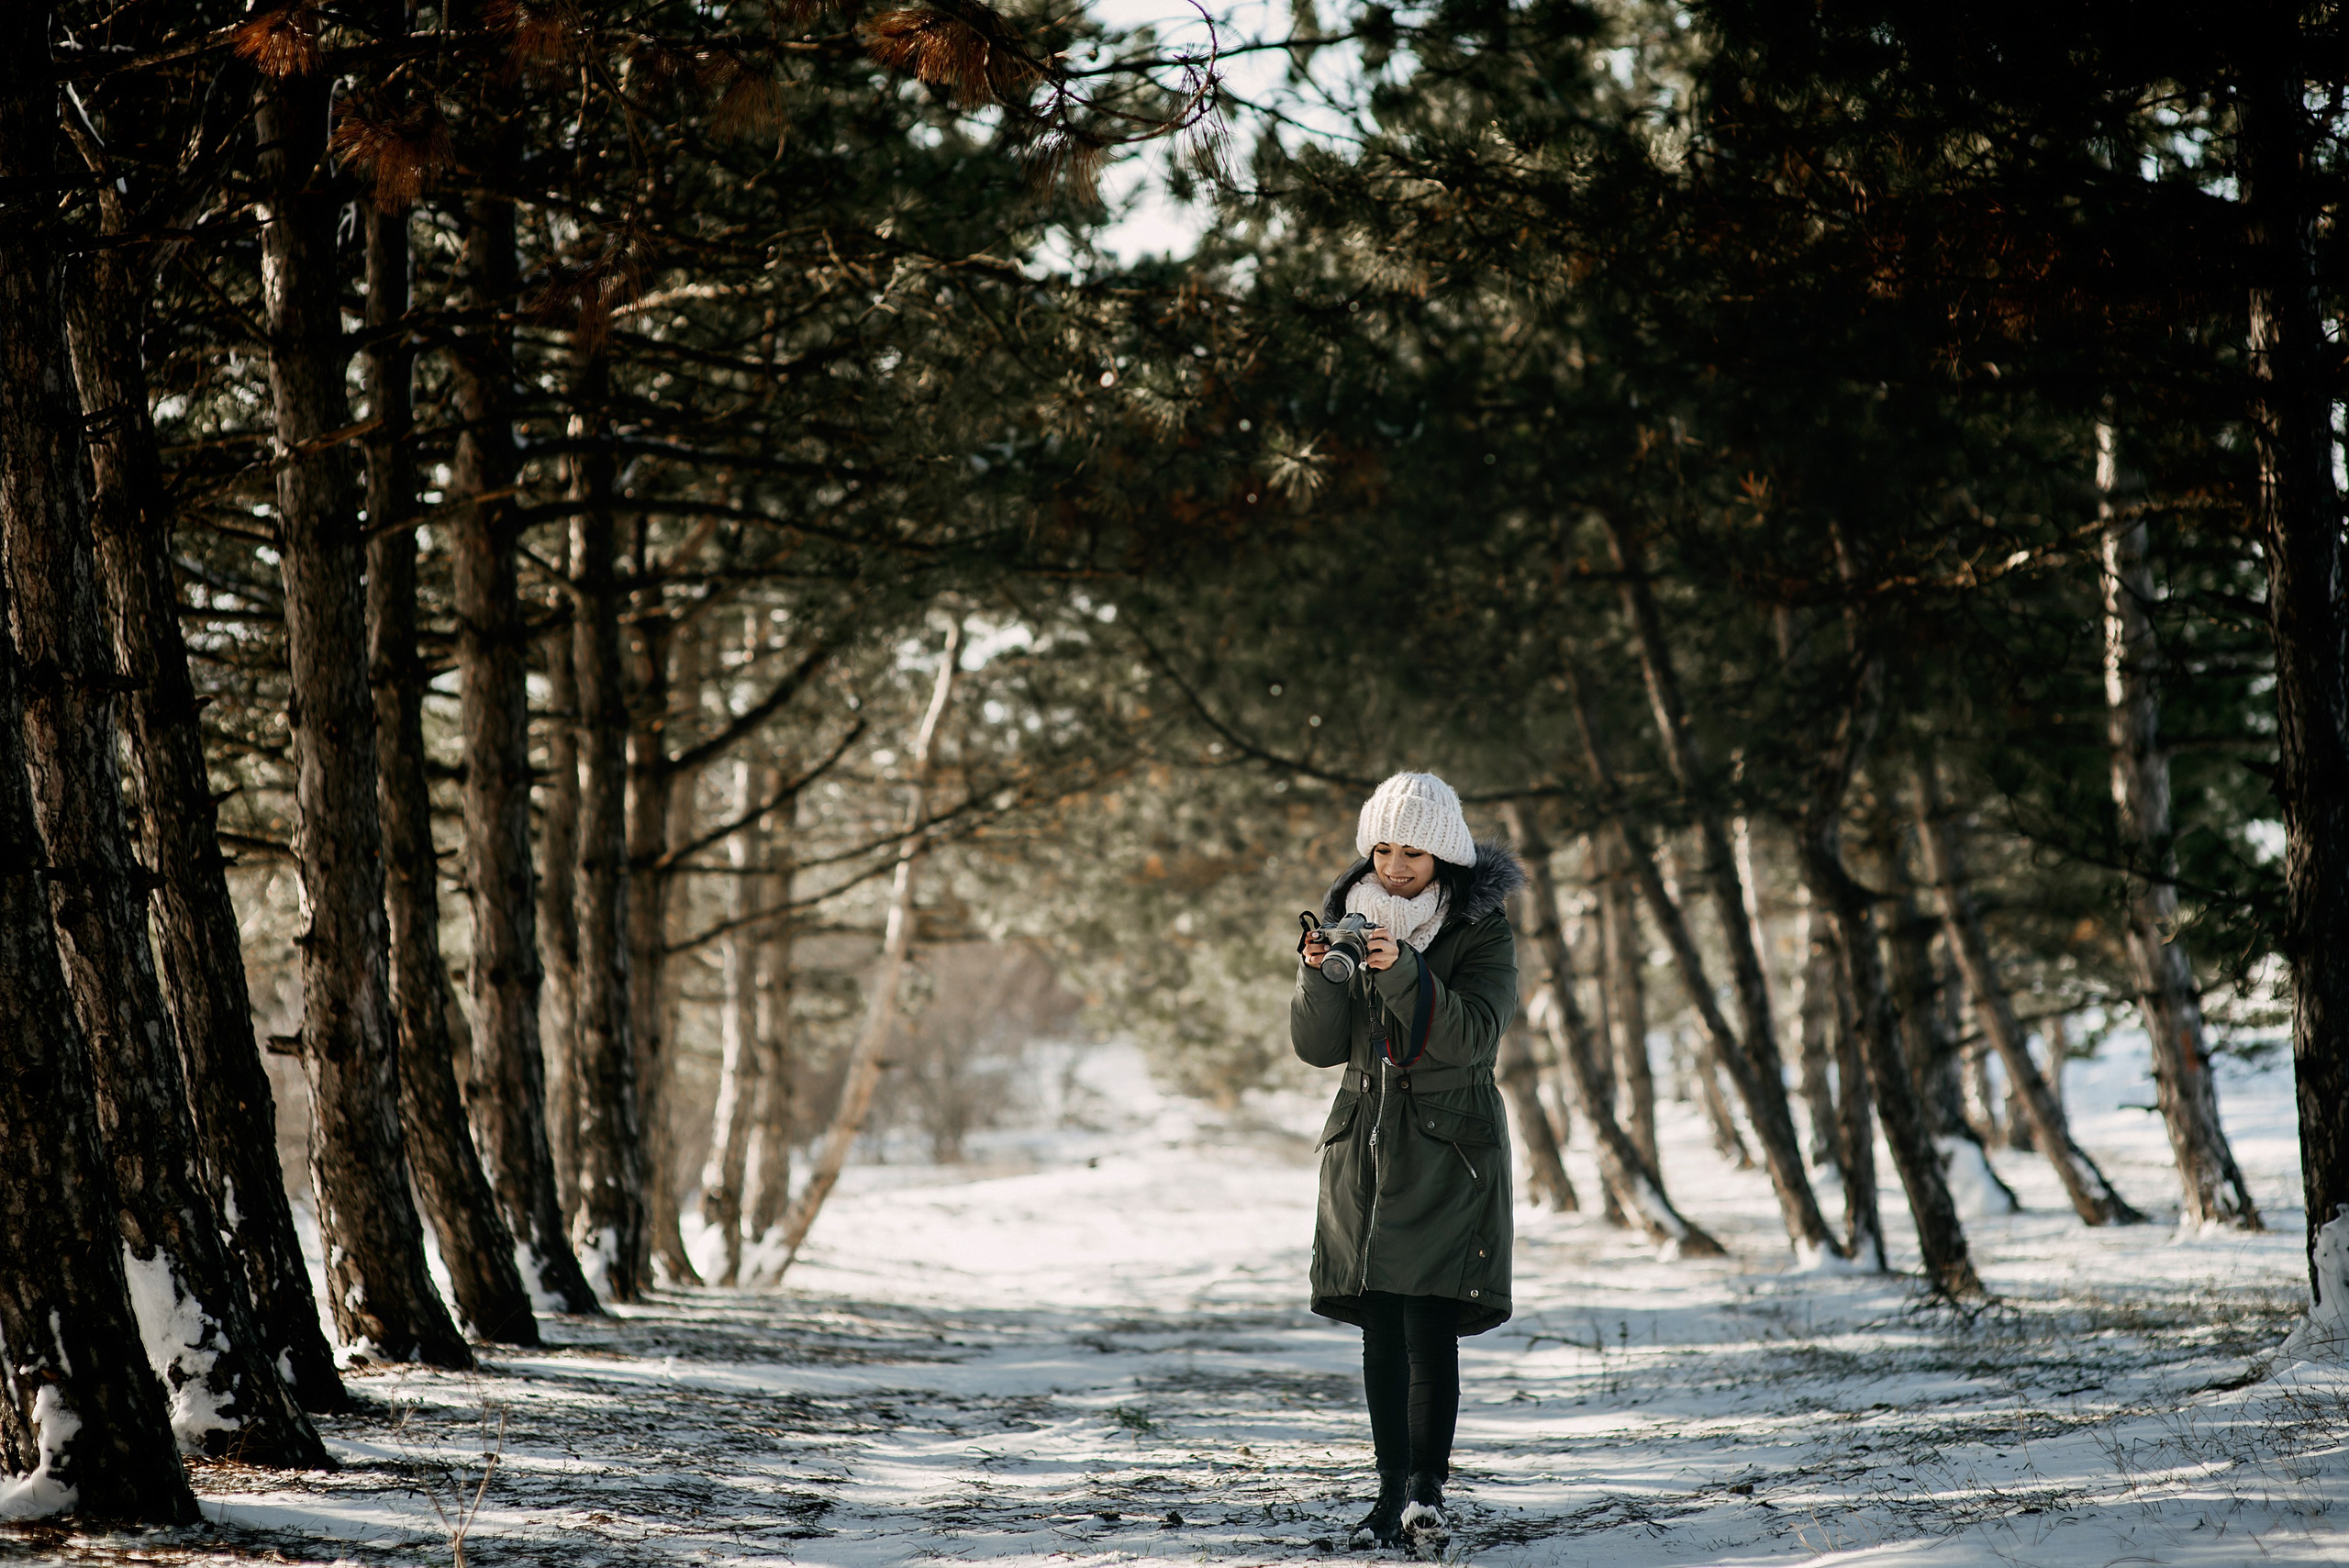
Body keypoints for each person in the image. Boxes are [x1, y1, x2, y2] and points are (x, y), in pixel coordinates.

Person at [1292, 771, 1523, 1556]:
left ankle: (1429, 1489)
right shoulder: (1348, 919)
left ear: (1445, 852)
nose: (1394, 865)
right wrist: (1319, 972)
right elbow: (1318, 1049)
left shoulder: (1479, 930)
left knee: (1430, 1322)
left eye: (1413, 850)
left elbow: (1470, 1040)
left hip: (1450, 1147)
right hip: (1365, 1147)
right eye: (1382, 847)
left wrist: (1398, 969)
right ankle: (1389, 1494)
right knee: (1381, 1327)